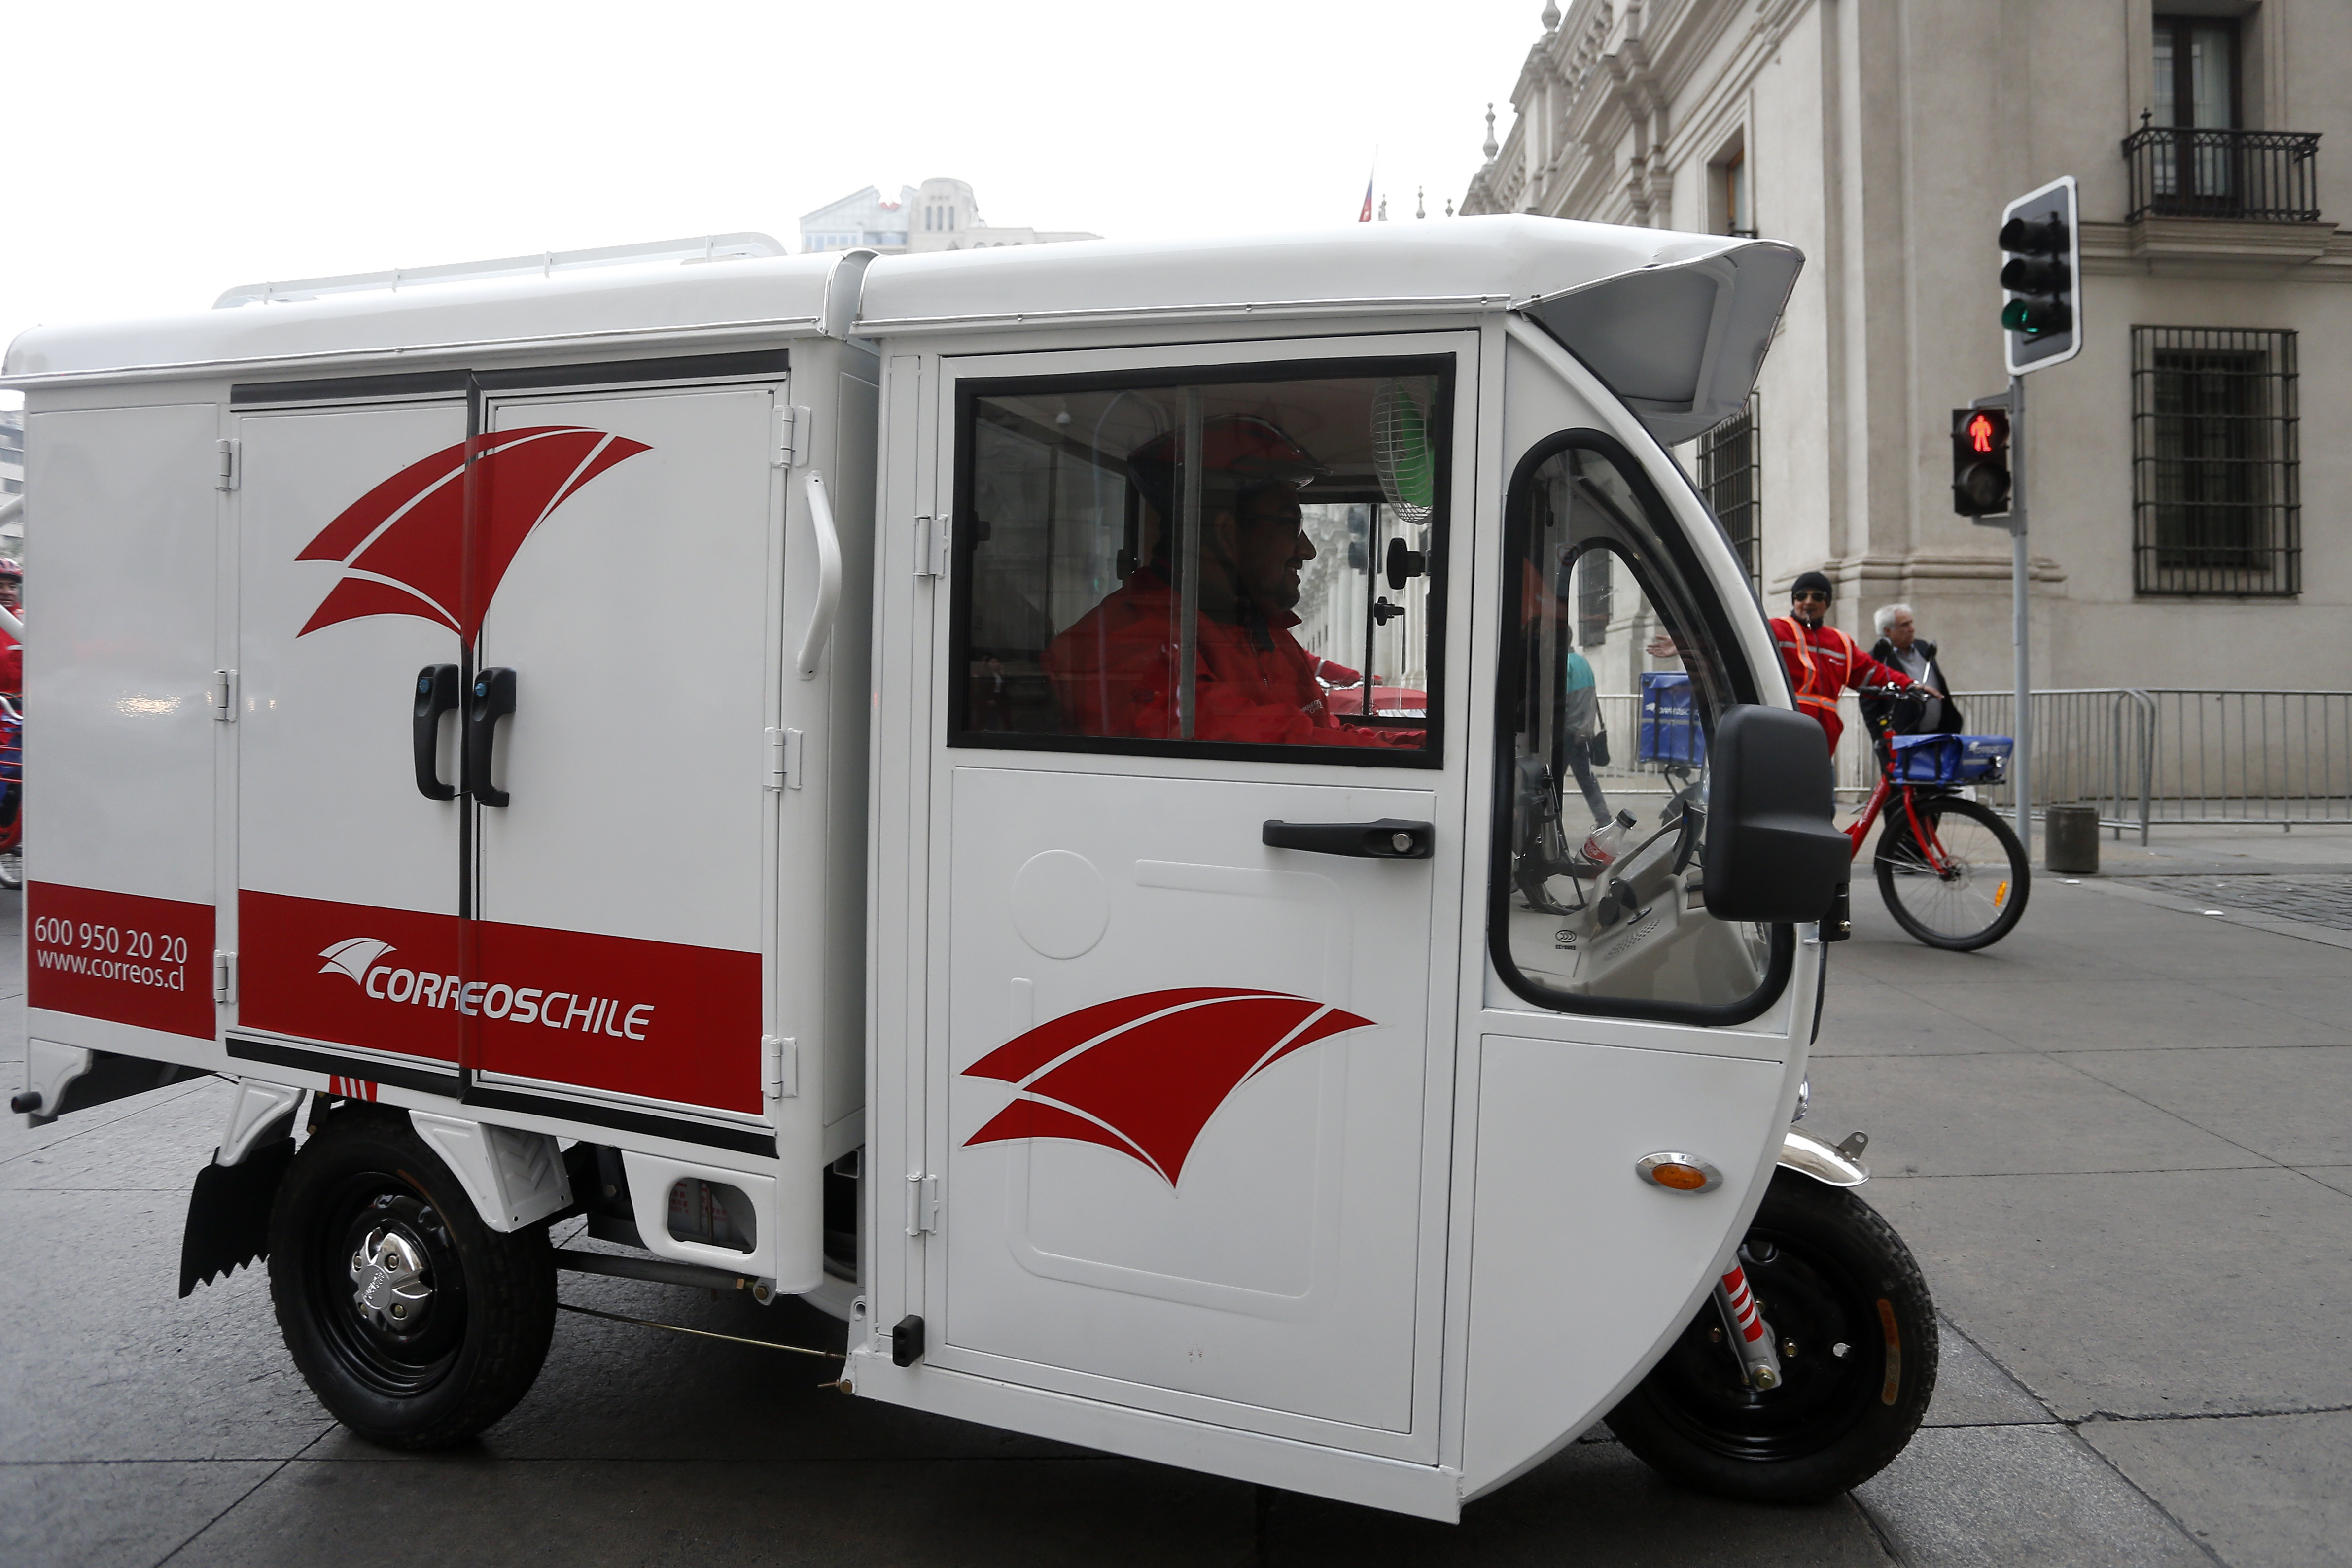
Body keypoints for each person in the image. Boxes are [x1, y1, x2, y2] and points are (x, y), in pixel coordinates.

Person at [1043, 415, 1415, 748]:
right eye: (1292, 526)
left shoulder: (1261, 631)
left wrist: (1422, 748)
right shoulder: (1126, 642)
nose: (1307, 550)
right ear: (1226, 533)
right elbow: (1273, 748)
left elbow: (1319, 733)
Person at [1772, 570, 1932, 753]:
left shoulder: (1840, 642)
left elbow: (1871, 671)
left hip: (1824, 739)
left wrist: (1910, 685)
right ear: (1794, 600)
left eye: (1817, 596)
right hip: (1786, 730)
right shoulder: (1775, 629)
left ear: (1827, 603)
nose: (1809, 602)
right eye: (1801, 596)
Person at [1860, 603, 1961, 753]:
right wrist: (1883, 745)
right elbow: (1870, 708)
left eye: (1911, 623)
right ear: (1887, 631)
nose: (1911, 629)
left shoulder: (1923, 648)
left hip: (1940, 735)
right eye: (1904, 625)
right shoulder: (1876, 660)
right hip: (1904, 741)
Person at [0, 558, 22, 697]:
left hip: (23, 710)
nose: (6, 591)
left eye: (12, 587)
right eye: (0, 586)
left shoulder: (27, 622)